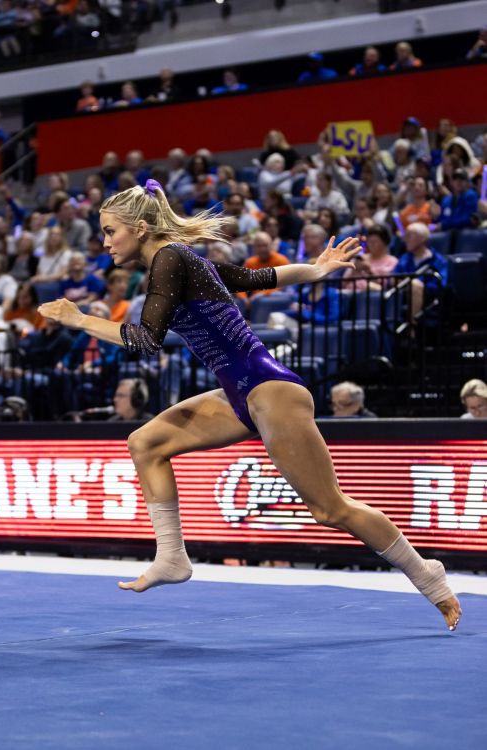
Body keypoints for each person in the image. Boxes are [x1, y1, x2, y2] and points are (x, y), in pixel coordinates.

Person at [38, 179, 462, 631]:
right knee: (146, 443)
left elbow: (147, 340)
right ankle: (172, 557)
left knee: (330, 510)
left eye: (109, 231)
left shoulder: (169, 259)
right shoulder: (184, 262)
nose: (104, 242)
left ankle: (426, 574)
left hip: (268, 388)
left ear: (141, 228)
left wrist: (79, 319)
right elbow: (262, 278)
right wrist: (316, 270)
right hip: (239, 393)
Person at [394, 223, 448, 324]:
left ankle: (412, 327)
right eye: (405, 236)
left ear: (422, 238)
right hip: (403, 294)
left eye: (410, 235)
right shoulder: (404, 258)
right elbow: (393, 279)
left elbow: (441, 285)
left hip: (429, 298)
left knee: (415, 285)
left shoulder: (438, 260)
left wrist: (417, 284)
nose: (406, 239)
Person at [342, 224, 398, 291]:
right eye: (370, 241)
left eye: (375, 241)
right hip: (350, 295)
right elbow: (343, 283)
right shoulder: (359, 259)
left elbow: (387, 285)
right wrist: (355, 270)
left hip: (375, 297)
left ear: (384, 243)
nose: (371, 244)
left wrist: (369, 270)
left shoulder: (392, 261)